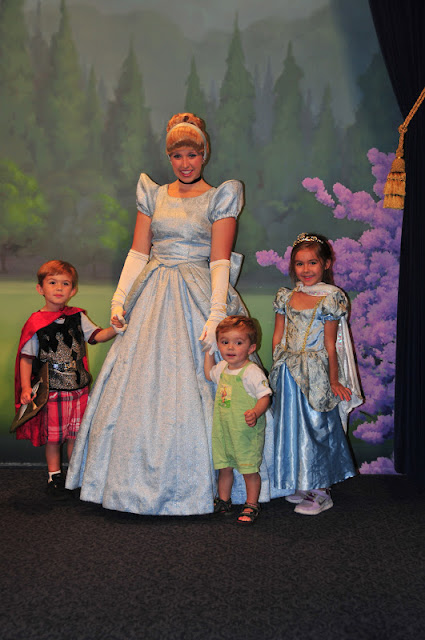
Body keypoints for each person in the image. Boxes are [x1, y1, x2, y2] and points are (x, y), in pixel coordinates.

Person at [66, 113, 256, 515]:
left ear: (204, 154)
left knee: (204, 380)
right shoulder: (153, 194)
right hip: (152, 292)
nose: (185, 163)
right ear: (169, 157)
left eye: (192, 154)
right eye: (177, 156)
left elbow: (219, 261)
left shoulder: (219, 197)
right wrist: (119, 299)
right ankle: (125, 483)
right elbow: (139, 252)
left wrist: (216, 313)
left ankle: (212, 487)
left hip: (197, 292)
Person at [270, 233, 362, 515]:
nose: (306, 269)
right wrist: (276, 365)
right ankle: (303, 480)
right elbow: (278, 335)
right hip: (288, 372)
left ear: (326, 264)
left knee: (317, 427)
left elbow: (331, 345)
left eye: (312, 262)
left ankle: (321, 490)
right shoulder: (286, 297)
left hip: (316, 374)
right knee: (292, 426)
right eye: (299, 264)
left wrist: (334, 380)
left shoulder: (330, 298)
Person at [14, 260, 117, 497]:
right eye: (52, 283)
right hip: (52, 391)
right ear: (40, 288)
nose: (59, 288)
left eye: (65, 283)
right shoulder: (35, 323)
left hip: (78, 389)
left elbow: (97, 336)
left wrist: (116, 329)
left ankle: (75, 473)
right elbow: (26, 358)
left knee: (76, 435)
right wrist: (26, 387)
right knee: (54, 437)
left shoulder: (77, 317)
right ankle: (54, 475)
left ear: (73, 290)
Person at [204, 316, 272, 525]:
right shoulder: (222, 367)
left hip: (245, 431)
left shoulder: (251, 371)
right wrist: (208, 351)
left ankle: (252, 503)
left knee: (249, 469)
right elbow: (208, 374)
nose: (230, 347)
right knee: (224, 467)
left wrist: (256, 412)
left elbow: (265, 396)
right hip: (224, 430)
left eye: (238, 343)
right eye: (225, 342)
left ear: (251, 348)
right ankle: (224, 500)